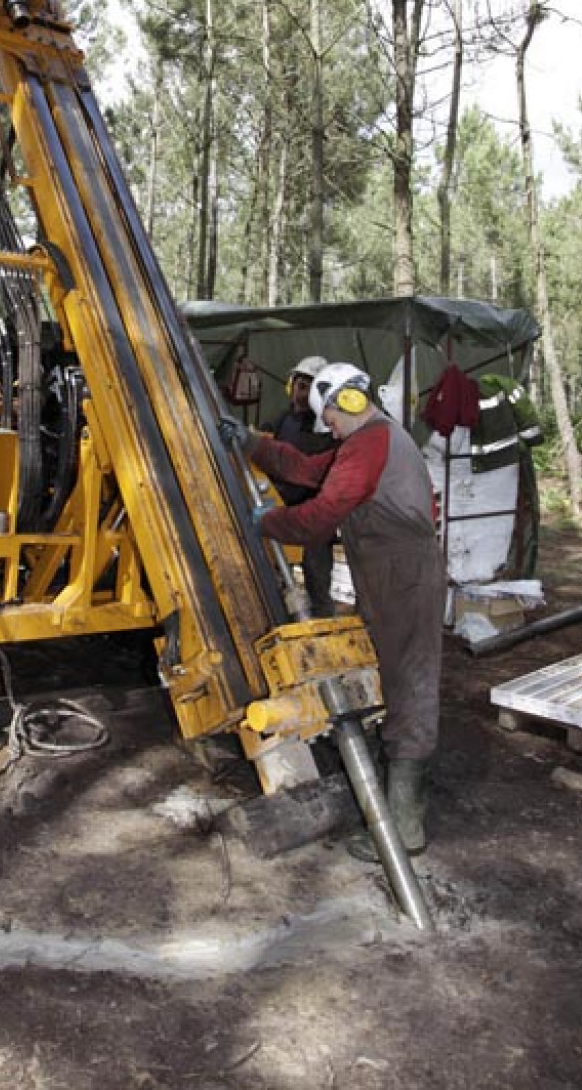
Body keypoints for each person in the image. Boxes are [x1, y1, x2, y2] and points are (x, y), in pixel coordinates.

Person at [219, 361, 446, 859]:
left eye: (333, 420)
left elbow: (320, 518)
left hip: (404, 577)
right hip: (390, 577)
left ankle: (404, 828)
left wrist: (269, 523)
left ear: (349, 402)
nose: (332, 429)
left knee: (410, 685)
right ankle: (396, 809)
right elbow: (307, 470)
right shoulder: (366, 441)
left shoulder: (373, 442)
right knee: (400, 679)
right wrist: (252, 442)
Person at [261, 355, 337, 617]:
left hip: (313, 519)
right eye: (298, 385)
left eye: (308, 387)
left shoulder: (326, 429)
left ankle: (325, 628)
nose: (300, 393)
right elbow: (265, 442)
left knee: (317, 582)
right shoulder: (284, 420)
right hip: (284, 511)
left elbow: (310, 472)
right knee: (277, 578)